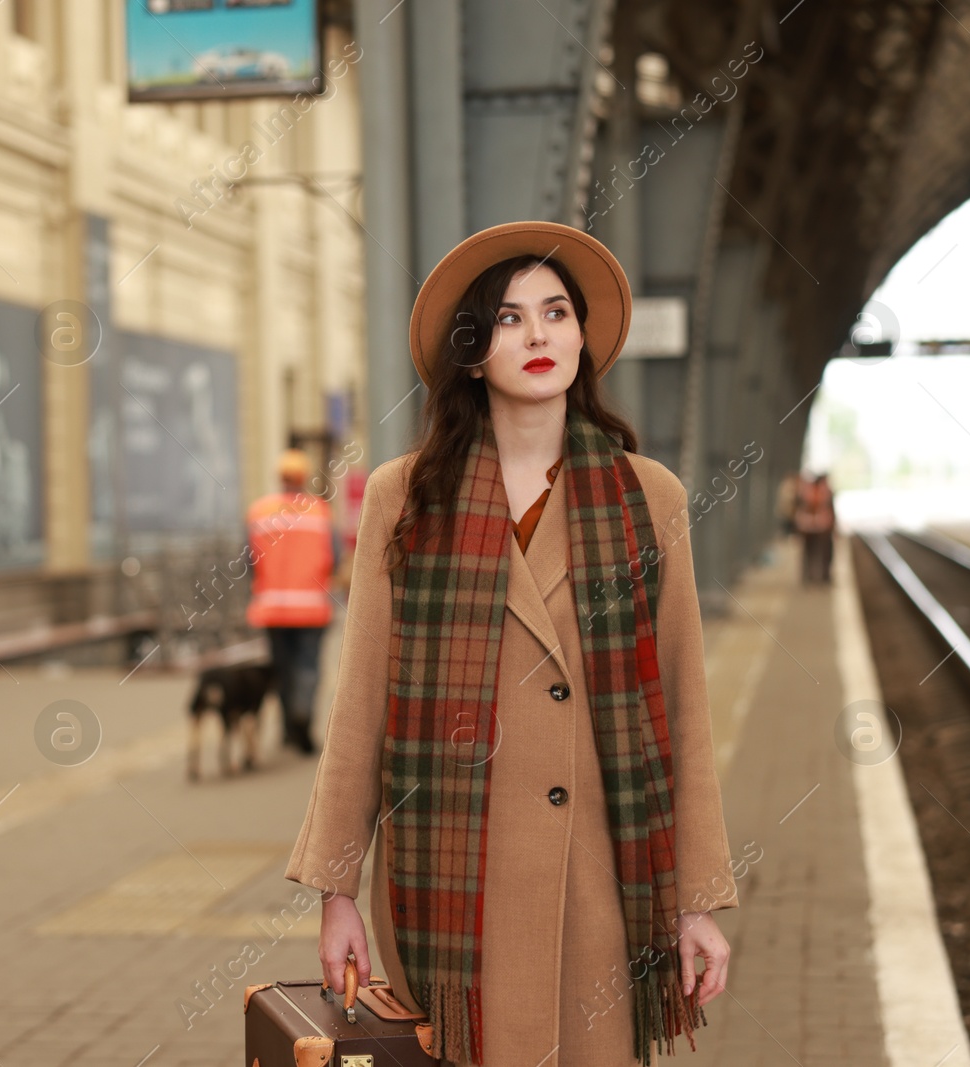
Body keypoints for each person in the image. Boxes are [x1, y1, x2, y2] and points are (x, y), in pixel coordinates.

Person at [283, 222, 737, 1066]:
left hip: (606, 878)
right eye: (508, 318)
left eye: (556, 312)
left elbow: (683, 707)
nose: (537, 335)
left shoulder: (648, 498)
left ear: (581, 336)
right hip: (457, 885)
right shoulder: (408, 496)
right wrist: (337, 889)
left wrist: (695, 900)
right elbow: (362, 701)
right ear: (470, 351)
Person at [245, 448, 339, 756]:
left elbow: (248, 561)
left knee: (282, 670)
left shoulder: (259, 512)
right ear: (303, 477)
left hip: (272, 609)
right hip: (312, 608)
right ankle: (303, 714)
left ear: (280, 477)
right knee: (308, 667)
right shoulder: (320, 512)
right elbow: (335, 557)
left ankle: (287, 729)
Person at [794, 471, 836, 584]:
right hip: (821, 526)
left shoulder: (805, 491)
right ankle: (820, 576)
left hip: (811, 526)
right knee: (821, 552)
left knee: (811, 552)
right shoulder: (825, 492)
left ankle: (811, 576)